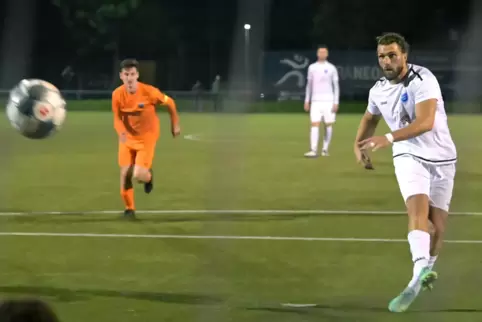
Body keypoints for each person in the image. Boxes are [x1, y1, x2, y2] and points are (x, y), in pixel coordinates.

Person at [354, 33, 457, 312]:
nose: (386, 61)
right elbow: (370, 116)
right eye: (381, 56)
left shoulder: (423, 80)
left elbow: (425, 122)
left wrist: (386, 138)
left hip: (443, 157)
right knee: (417, 212)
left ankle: (417, 280)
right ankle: (421, 269)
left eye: (391, 55)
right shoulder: (377, 90)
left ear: (404, 56)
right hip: (407, 154)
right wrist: (358, 143)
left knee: (438, 228)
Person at [112, 59, 181, 219]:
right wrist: (121, 132)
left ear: (137, 75)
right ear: (121, 76)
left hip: (146, 138)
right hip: (127, 139)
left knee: (138, 175)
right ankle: (130, 209)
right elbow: (117, 118)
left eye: (133, 74)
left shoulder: (149, 92)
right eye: (126, 74)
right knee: (125, 174)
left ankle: (148, 176)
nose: (130, 78)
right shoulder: (117, 95)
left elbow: (170, 102)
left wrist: (175, 123)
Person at [304, 45, 340, 157]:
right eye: (320, 52)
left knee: (328, 125)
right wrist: (307, 100)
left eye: (324, 52)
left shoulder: (331, 68)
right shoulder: (312, 67)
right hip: (315, 101)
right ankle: (313, 150)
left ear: (327, 54)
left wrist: (336, 102)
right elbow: (309, 85)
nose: (322, 54)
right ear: (317, 54)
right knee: (314, 124)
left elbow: (336, 86)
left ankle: (325, 149)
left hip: (328, 101)